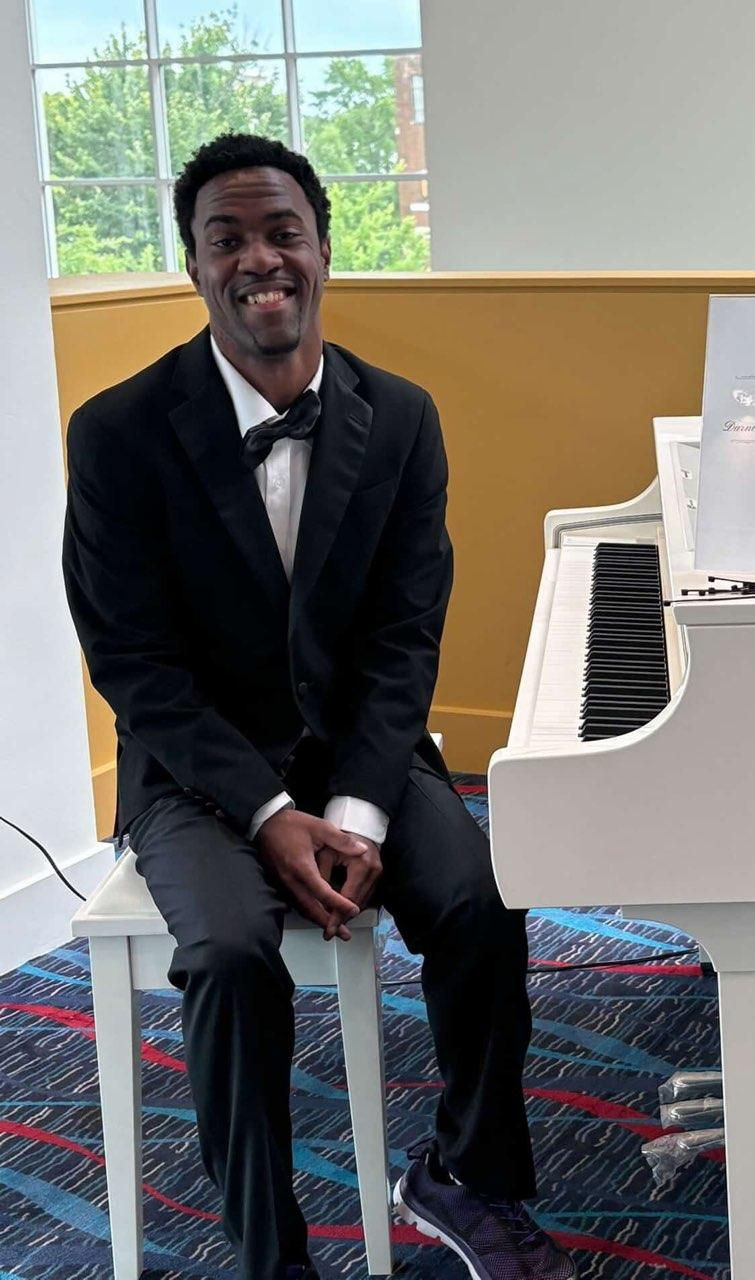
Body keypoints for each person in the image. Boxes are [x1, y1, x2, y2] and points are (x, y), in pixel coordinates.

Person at [61, 132, 575, 1280]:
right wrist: (266, 812)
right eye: (226, 237)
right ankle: (268, 1247)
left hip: (368, 748)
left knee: (485, 909)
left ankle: (464, 1174)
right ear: (192, 265)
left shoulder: (401, 418)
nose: (259, 259)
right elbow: (135, 665)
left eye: (281, 231)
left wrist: (353, 805)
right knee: (233, 954)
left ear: (324, 250)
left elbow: (404, 638)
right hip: (199, 769)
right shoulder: (114, 435)